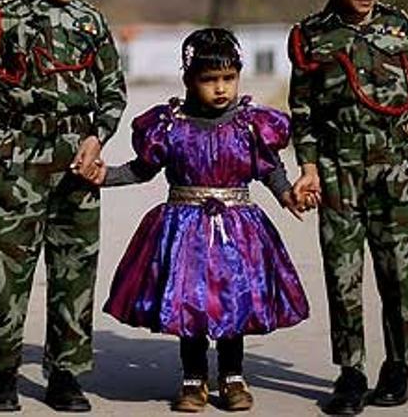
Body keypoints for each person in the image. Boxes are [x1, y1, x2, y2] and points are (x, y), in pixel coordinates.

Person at [79, 28, 309, 413]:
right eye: (209, 80)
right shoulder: (170, 126)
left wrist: (288, 195)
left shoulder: (251, 125)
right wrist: (106, 176)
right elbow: (142, 169)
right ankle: (193, 377)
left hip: (239, 230)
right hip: (185, 231)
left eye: (228, 79)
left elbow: (269, 169)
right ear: (188, 80)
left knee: (235, 302)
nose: (220, 88)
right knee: (191, 304)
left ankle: (233, 375)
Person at [0, 0, 127, 413]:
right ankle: (3, 374)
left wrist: (97, 137)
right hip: (21, 163)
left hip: (77, 164)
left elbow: (112, 90)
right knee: (5, 270)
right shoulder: (2, 20)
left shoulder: (91, 23)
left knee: (74, 269)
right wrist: (5, 150)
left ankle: (65, 374)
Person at [286, 0, 408, 416]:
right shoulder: (312, 35)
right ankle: (351, 372)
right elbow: (302, 110)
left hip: (394, 168)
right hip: (338, 171)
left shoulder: (399, 26)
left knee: (399, 271)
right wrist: (308, 166)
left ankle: (398, 366)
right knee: (343, 273)